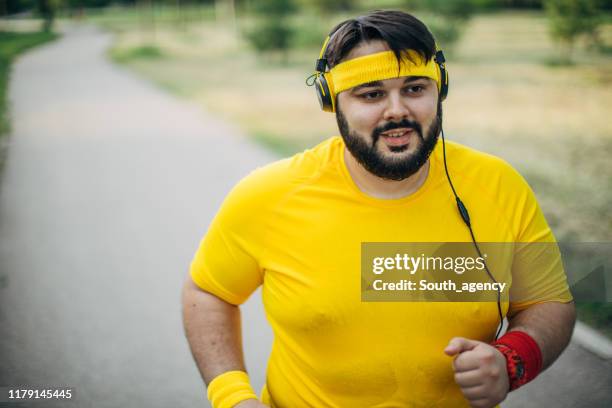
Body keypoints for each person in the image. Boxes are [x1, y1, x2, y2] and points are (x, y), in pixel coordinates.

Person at [182, 9, 575, 408]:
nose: (397, 111)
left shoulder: (497, 185)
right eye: (371, 94)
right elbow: (208, 292)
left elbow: (548, 302)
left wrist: (513, 359)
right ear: (332, 102)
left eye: (415, 88)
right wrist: (232, 397)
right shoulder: (269, 195)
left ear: (440, 89)